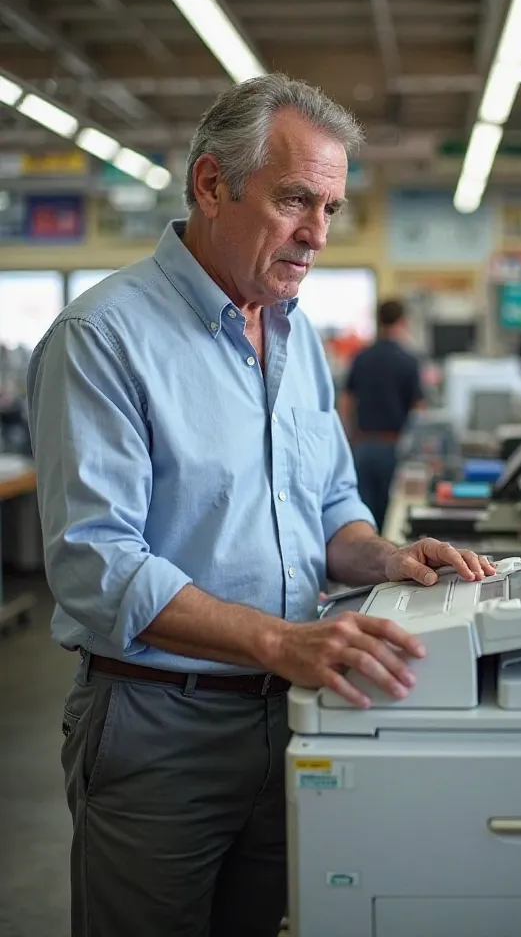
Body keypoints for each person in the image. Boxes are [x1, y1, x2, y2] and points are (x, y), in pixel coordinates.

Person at [27, 73, 495, 937]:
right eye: (294, 201)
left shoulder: (296, 334)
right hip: (157, 729)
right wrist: (283, 640)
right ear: (213, 185)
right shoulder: (104, 338)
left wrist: (386, 557)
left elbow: (331, 512)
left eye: (331, 208)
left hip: (289, 718)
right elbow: (97, 565)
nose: (317, 234)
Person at [341, 298, 423, 530]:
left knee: (362, 517)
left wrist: (350, 436)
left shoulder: (361, 357)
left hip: (363, 446)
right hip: (394, 448)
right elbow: (418, 408)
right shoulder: (408, 360)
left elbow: (347, 400)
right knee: (393, 521)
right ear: (403, 322)